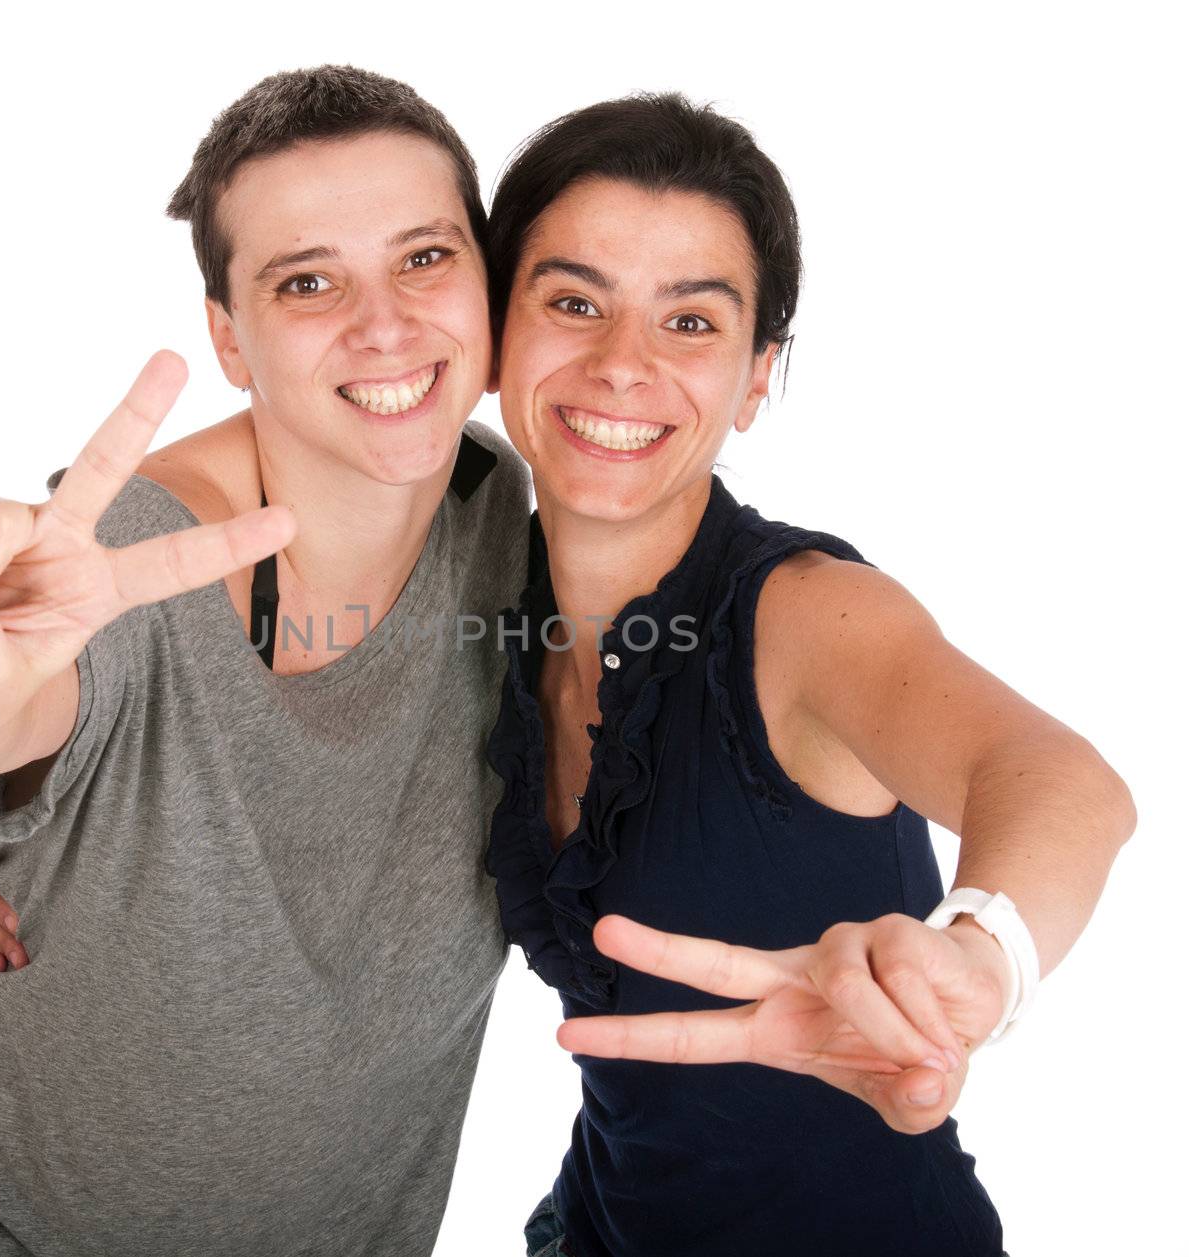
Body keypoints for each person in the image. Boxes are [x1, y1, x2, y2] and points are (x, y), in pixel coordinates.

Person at [0, 65, 530, 1254]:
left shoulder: (501, 502)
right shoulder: (128, 562)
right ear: (230, 339)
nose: (383, 324)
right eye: (307, 280)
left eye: (424, 258)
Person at [479, 95, 1135, 1256]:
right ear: (496, 331)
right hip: (593, 1228)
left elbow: (1052, 775)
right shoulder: (478, 589)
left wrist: (975, 961)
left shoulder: (803, 614)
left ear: (757, 373)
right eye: (574, 303)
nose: (621, 366)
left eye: (691, 324)